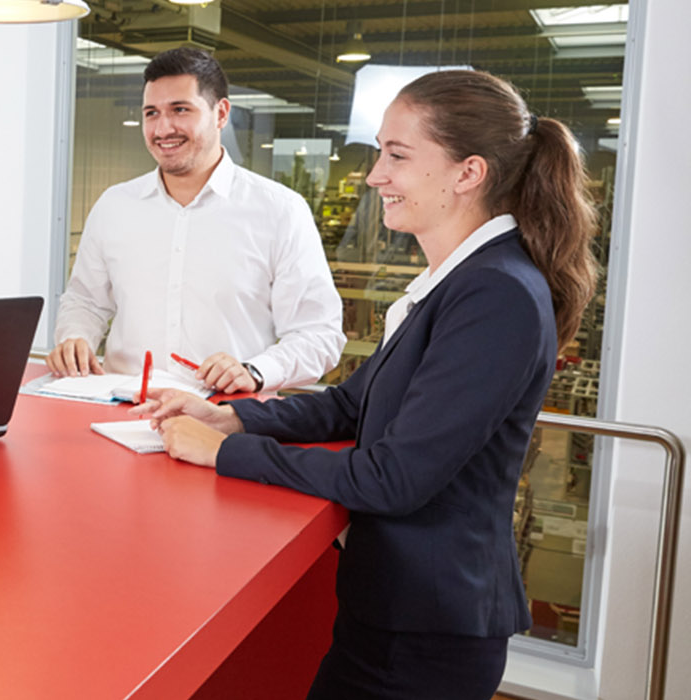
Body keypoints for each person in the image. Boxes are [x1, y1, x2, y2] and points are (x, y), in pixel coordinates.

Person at [135, 69, 599, 699]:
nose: (376, 175)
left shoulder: (496, 294)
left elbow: (395, 477)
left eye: (397, 156)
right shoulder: (457, 280)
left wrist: (226, 452)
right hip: (392, 613)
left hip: (425, 631)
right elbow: (352, 405)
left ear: (468, 173)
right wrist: (233, 417)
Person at [48, 47, 345, 394]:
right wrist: (75, 338)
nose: (163, 128)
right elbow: (85, 301)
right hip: (120, 407)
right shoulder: (115, 206)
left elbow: (319, 334)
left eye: (180, 110)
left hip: (227, 414)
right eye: (151, 113)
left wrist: (255, 371)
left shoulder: (280, 211)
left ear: (221, 113)